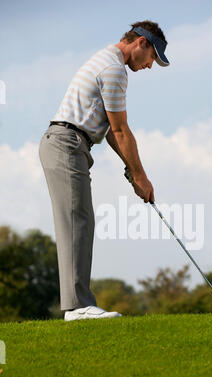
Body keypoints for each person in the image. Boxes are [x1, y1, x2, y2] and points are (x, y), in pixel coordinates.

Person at [39, 20, 170, 321]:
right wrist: (141, 177)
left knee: (80, 219)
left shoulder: (107, 60)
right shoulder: (114, 70)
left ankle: (77, 304)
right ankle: (77, 307)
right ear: (141, 44)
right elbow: (121, 130)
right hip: (66, 144)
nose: (150, 66)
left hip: (69, 144)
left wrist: (131, 168)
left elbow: (112, 132)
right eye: (152, 59)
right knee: (78, 221)